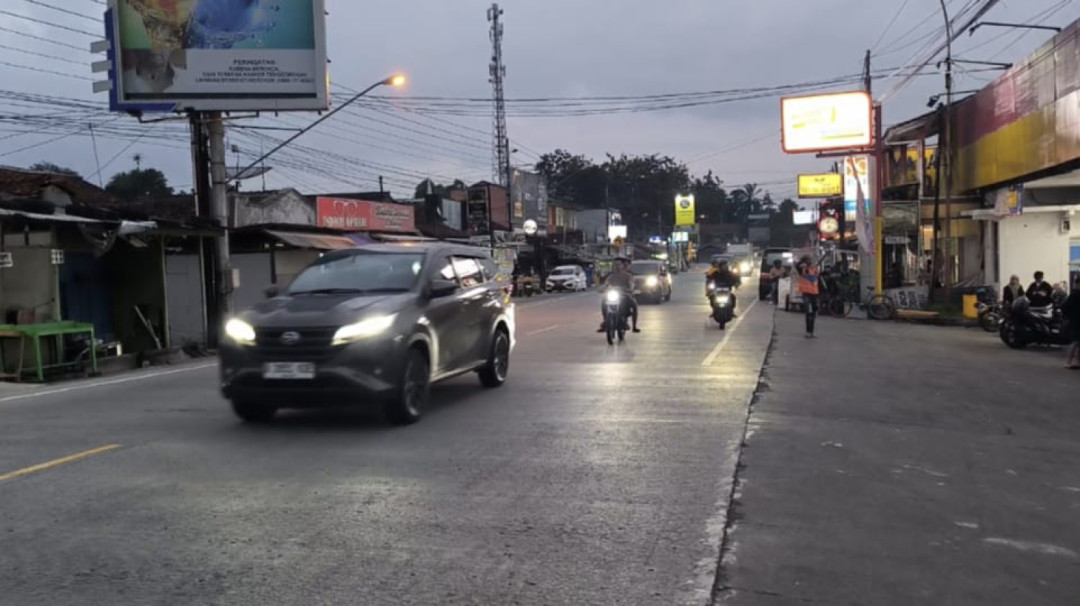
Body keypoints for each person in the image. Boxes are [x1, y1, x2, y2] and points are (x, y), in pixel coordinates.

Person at [597, 258, 640, 333]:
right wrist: (602, 289)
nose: (617, 266)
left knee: (634, 304)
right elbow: (606, 284)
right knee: (604, 301)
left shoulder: (628, 276)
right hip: (613, 296)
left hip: (625, 295)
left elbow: (631, 285)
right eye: (615, 265)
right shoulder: (611, 276)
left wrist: (630, 289)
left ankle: (634, 326)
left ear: (622, 266)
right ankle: (606, 321)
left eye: (619, 264)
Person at [797, 255, 821, 338]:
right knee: (809, 312)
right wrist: (802, 264)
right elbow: (797, 266)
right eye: (808, 261)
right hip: (806, 293)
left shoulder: (814, 269)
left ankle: (811, 332)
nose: (810, 262)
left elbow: (817, 278)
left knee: (814, 312)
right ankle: (808, 331)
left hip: (815, 293)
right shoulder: (803, 269)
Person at [1064, 276, 1080, 369]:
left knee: (1078, 343)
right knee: (1074, 342)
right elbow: (1065, 307)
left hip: (1077, 320)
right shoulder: (1074, 295)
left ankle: (1077, 361)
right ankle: (1068, 361)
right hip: (1075, 321)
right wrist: (1070, 317)